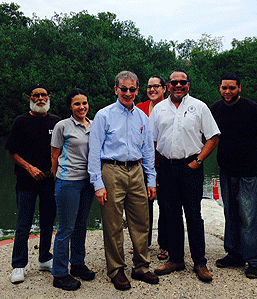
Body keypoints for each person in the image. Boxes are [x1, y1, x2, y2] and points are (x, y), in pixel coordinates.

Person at [88, 71, 159, 290]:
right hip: (112, 170)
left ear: (137, 90)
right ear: (116, 89)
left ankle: (141, 267)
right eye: (124, 89)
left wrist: (151, 179)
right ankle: (116, 269)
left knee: (141, 221)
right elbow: (94, 150)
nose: (128, 93)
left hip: (136, 170)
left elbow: (148, 150)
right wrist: (97, 184)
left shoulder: (142, 117)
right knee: (113, 223)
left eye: (132, 89)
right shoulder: (104, 115)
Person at [150, 69, 220, 282]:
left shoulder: (199, 107)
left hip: (191, 167)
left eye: (182, 82)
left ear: (188, 85)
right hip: (167, 167)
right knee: (171, 215)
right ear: (168, 86)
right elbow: (152, 142)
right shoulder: (159, 109)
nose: (178, 86)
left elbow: (213, 136)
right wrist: (154, 171)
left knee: (194, 215)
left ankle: (200, 262)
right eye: (174, 83)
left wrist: (198, 161)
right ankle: (176, 259)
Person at [210, 73, 257, 279]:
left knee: (250, 217)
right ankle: (234, 253)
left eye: (232, 88)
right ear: (220, 88)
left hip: (248, 173)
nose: (228, 92)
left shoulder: (252, 108)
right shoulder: (216, 109)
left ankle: (254, 260)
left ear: (239, 88)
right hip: (226, 171)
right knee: (231, 214)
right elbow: (210, 136)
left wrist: (249, 152)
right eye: (224, 88)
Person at [5, 83, 60, 284]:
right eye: (35, 95)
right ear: (29, 98)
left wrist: (56, 166)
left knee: (47, 221)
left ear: (49, 96)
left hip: (49, 180)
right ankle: (18, 265)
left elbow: (62, 148)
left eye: (43, 95)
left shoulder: (56, 122)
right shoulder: (21, 122)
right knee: (23, 223)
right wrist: (30, 168)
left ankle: (45, 258)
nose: (40, 99)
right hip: (26, 180)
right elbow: (12, 151)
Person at [50, 88, 95, 291]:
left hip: (87, 182)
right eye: (77, 103)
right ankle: (59, 274)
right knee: (65, 229)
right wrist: (58, 175)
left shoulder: (94, 125)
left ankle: (77, 263)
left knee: (81, 225)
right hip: (68, 181)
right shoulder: (62, 126)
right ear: (70, 106)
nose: (81, 107)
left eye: (84, 103)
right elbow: (54, 155)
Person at [136, 75, 168, 260]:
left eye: (156, 86)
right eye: (149, 86)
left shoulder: (170, 108)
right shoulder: (139, 108)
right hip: (142, 165)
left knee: (165, 205)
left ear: (164, 88)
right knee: (142, 206)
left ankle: (164, 244)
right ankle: (143, 243)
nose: (152, 89)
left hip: (163, 164)